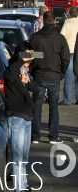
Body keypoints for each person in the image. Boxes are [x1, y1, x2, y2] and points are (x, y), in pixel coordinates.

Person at [29, 11, 70, 144]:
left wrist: (33, 69)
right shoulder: (60, 38)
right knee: (54, 108)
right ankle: (53, 136)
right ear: (54, 21)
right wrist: (61, 73)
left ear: (43, 20)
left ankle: (35, 136)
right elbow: (65, 59)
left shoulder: (35, 38)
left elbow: (30, 56)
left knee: (36, 106)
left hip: (39, 75)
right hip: (54, 75)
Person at [4, 41, 39, 192]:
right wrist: (21, 58)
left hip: (27, 117)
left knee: (23, 156)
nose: (30, 58)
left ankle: (23, 184)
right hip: (17, 117)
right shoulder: (13, 69)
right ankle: (19, 187)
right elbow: (8, 76)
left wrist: (28, 84)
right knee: (18, 156)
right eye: (27, 55)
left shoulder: (26, 72)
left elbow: (37, 92)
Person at [60, 6, 78, 105]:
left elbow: (62, 37)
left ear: (70, 13)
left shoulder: (67, 23)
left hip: (69, 51)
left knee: (68, 75)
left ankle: (67, 100)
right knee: (77, 75)